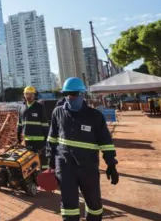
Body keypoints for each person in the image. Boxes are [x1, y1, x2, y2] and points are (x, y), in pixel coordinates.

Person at [47, 77, 119, 221]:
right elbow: (52, 138)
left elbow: (106, 142)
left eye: (74, 93)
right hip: (65, 166)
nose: (70, 97)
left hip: (88, 167)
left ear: (82, 94)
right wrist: (50, 161)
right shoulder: (58, 113)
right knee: (69, 204)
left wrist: (111, 164)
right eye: (67, 94)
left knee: (94, 203)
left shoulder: (95, 116)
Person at [17, 86, 49, 170]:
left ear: (34, 95)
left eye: (31, 94)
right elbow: (20, 124)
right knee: (29, 162)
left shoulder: (39, 107)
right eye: (27, 94)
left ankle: (45, 178)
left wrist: (46, 139)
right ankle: (34, 180)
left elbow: (45, 124)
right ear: (24, 95)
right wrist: (18, 137)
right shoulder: (21, 107)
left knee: (43, 161)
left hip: (40, 141)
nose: (29, 96)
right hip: (28, 141)